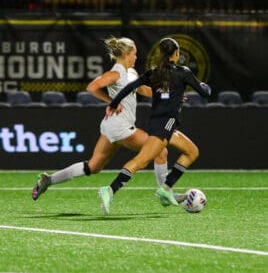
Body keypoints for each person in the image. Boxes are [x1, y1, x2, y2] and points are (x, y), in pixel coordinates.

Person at [32, 36, 177, 201]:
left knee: (93, 166)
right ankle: (164, 193)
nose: (136, 57)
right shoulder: (115, 73)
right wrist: (112, 101)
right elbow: (92, 87)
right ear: (126, 54)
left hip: (111, 126)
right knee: (160, 150)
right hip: (120, 126)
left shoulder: (130, 73)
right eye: (134, 54)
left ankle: (49, 180)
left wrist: (171, 95)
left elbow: (144, 90)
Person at [99, 37, 211, 214]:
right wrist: (205, 87)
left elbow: (128, 88)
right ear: (176, 54)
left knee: (191, 151)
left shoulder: (153, 72)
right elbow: (204, 93)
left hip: (162, 124)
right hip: (164, 125)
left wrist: (114, 103)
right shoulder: (183, 72)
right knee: (141, 161)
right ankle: (109, 190)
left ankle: (165, 188)